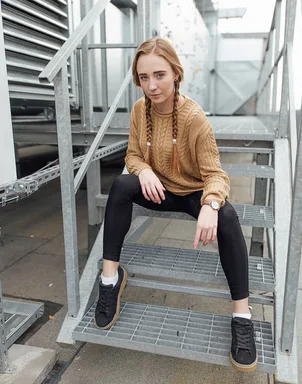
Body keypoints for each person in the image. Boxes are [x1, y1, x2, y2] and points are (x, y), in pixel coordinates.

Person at [94, 38, 257, 372]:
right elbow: (133, 155)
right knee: (122, 184)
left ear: (176, 74)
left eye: (159, 75)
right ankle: (110, 279)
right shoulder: (140, 111)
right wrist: (144, 170)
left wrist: (210, 205)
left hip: (191, 193)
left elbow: (216, 174)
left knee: (226, 215)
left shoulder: (195, 119)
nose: (151, 86)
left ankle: (242, 316)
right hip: (158, 191)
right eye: (143, 77)